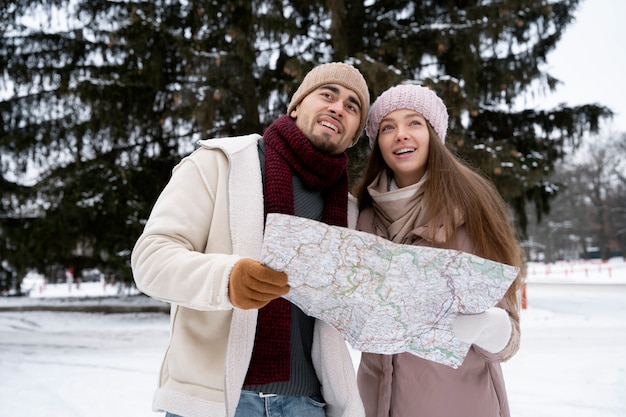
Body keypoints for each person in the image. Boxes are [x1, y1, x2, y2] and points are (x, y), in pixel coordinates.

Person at [131, 62, 370, 417]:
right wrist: (228, 279)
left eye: (353, 107)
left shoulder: (349, 214)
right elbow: (151, 259)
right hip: (215, 402)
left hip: (306, 404)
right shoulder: (219, 163)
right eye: (328, 94)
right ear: (296, 105)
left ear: (352, 136)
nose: (339, 107)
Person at [352, 84, 525, 417]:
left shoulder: (471, 211)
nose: (401, 134)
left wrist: (482, 325)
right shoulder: (364, 217)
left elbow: (510, 341)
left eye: (414, 123)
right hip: (374, 403)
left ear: (433, 134)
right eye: (388, 127)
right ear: (378, 144)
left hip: (457, 404)